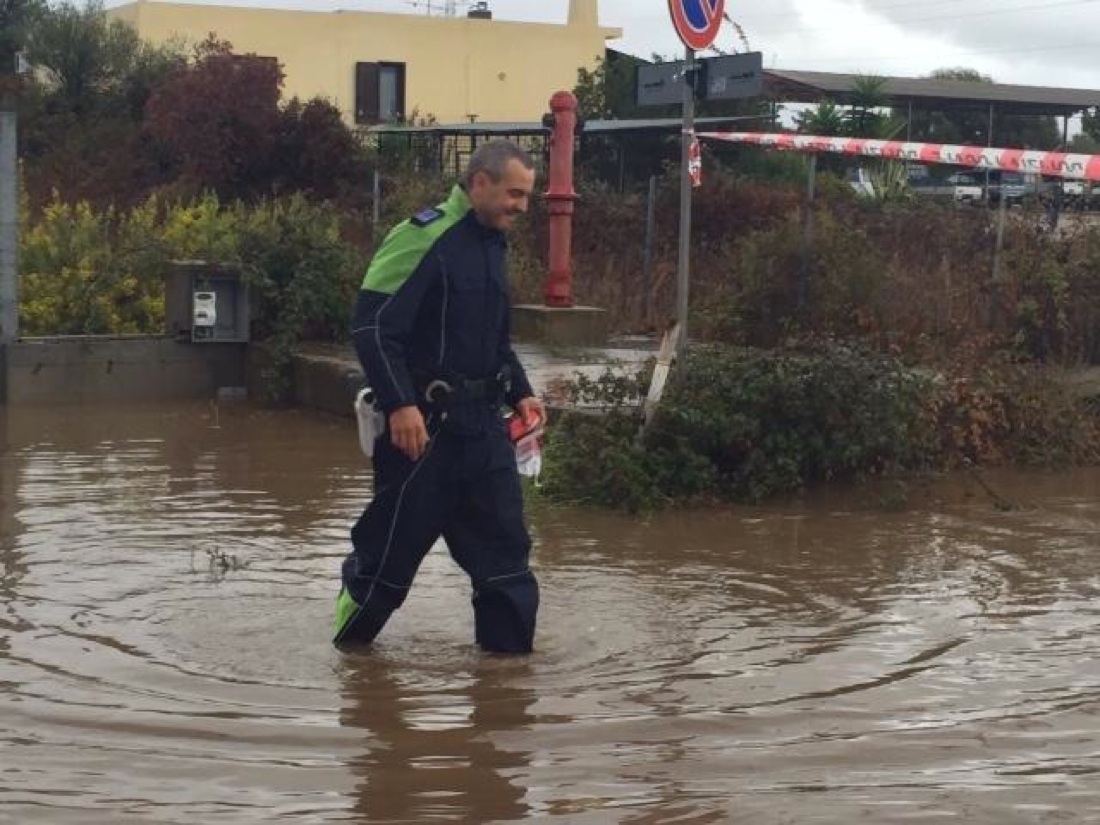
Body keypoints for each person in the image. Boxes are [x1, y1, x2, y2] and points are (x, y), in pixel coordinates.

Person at [333, 139, 545, 654]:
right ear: (479, 184)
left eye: (527, 196)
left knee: (507, 564)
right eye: (513, 194)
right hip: (421, 433)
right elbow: (374, 327)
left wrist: (521, 393)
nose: (522, 206)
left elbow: (494, 339)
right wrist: (401, 404)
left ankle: (506, 693)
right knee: (385, 564)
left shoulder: (494, 243)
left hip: (485, 432)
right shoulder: (423, 237)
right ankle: (349, 666)